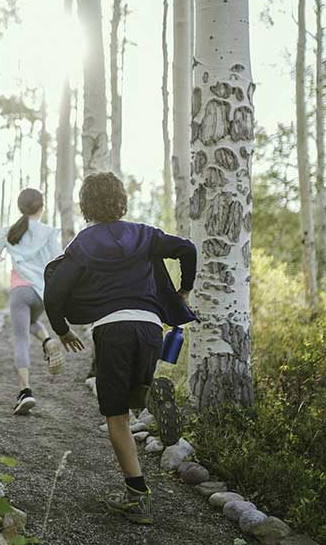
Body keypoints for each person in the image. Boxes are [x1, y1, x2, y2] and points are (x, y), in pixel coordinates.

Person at [43, 172, 197, 525]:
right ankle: (151, 396)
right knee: (133, 392)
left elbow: (54, 294)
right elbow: (187, 249)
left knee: (116, 416)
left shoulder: (84, 243)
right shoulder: (144, 234)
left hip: (113, 329)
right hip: (150, 327)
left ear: (86, 205)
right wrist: (184, 290)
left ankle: (137, 498)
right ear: (121, 200)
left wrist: (62, 330)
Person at [0, 188, 67, 415]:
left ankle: (25, 392)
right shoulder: (48, 233)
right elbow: (60, 260)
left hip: (20, 292)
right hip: (42, 293)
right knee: (31, 323)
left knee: (21, 338)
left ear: (20, 207)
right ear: (41, 207)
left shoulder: (11, 232)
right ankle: (47, 340)